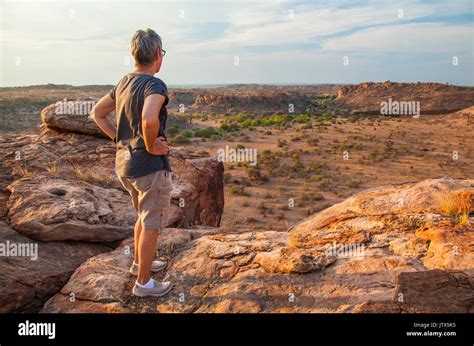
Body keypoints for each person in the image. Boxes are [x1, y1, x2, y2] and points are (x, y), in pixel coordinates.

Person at [90, 28, 173, 297]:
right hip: (148, 167)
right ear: (158, 55)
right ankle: (144, 284)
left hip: (125, 165)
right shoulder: (154, 85)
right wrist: (149, 145)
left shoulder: (124, 81)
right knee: (151, 224)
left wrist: (120, 138)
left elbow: (97, 113)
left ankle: (140, 263)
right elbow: (150, 119)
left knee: (142, 217)